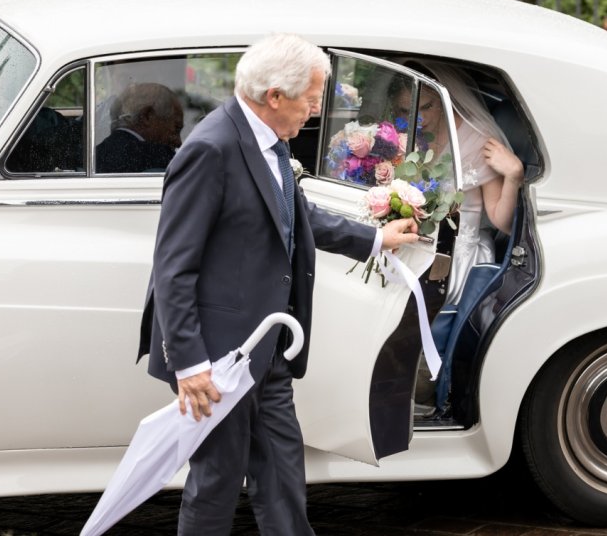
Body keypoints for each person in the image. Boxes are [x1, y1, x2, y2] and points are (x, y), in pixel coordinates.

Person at [137, 33, 419, 535]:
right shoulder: (211, 149)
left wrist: (375, 239)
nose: (315, 110)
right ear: (274, 96)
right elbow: (173, 266)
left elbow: (296, 216)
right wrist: (191, 364)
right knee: (215, 485)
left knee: (284, 480)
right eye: (311, 99)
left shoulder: (269, 143)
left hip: (267, 351)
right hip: (219, 359)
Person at [392, 61, 524, 415]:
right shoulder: (401, 137)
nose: (418, 117)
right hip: (410, 246)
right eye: (407, 110)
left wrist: (512, 175)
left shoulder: (477, 139)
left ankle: (430, 399)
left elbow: (501, 220)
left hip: (458, 256)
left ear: (446, 101)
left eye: (427, 107)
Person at [96, 82, 183, 173]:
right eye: (176, 128)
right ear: (147, 116)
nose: (179, 142)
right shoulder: (159, 157)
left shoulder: (92, 156)